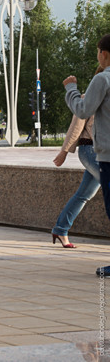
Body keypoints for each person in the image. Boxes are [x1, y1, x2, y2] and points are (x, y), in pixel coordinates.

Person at [64, 34, 110, 275]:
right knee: (86, 193)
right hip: (99, 151)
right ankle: (61, 228)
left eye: (97, 52)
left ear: (103, 53)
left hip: (105, 154)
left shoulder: (102, 79)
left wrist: (71, 88)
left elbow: (83, 110)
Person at [51, 68, 104, 248]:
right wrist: (64, 152)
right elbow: (76, 126)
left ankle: (60, 229)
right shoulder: (86, 98)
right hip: (90, 151)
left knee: (84, 195)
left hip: (101, 153)